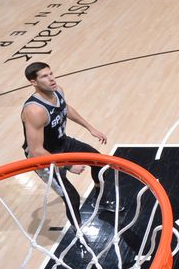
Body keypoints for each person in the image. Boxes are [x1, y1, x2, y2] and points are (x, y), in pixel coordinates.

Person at [21, 62, 113, 226]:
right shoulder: (34, 111)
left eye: (51, 73)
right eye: (44, 76)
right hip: (44, 158)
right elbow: (36, 151)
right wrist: (69, 166)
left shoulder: (57, 90)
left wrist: (90, 127)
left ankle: (100, 199)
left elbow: (65, 108)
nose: (51, 79)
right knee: (72, 197)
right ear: (33, 82)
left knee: (100, 163)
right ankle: (79, 235)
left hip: (63, 143)